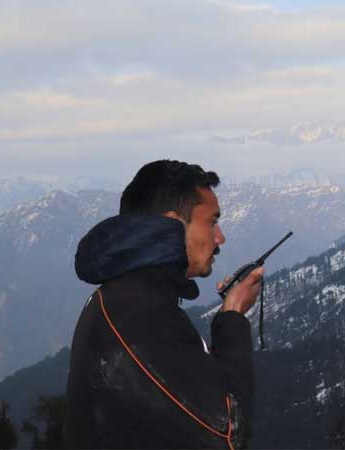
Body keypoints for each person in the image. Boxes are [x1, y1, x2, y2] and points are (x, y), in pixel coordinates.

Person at [66, 160, 264, 449]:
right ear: (173, 224)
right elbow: (227, 432)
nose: (220, 237)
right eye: (211, 222)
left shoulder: (126, 295)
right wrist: (233, 318)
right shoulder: (142, 314)